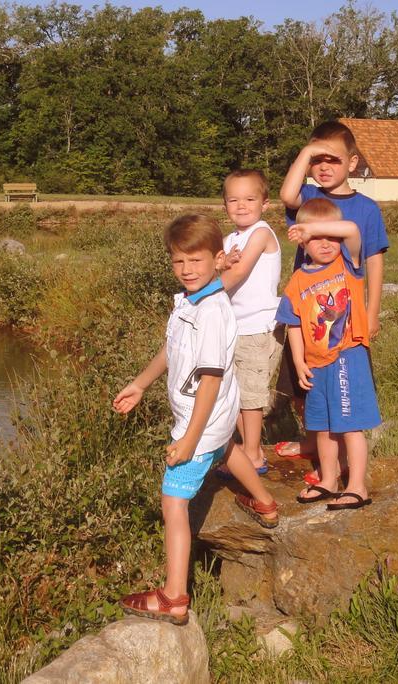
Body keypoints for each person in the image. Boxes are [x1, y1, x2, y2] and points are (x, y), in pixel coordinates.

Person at [113, 214, 279, 625]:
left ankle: (174, 596)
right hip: (217, 423)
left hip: (200, 420)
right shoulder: (191, 301)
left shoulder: (210, 311)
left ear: (217, 259)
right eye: (178, 262)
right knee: (228, 449)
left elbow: (209, 379)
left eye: (196, 261)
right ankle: (266, 503)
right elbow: (172, 350)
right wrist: (140, 383)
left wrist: (188, 439)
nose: (186, 270)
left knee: (173, 503)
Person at [275, 120, 390, 482]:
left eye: (333, 160)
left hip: (346, 319)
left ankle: (340, 459)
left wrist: (372, 311)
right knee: (300, 383)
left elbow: (373, 259)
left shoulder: (366, 209)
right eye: (316, 160)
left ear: (352, 163)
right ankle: (313, 442)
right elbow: (286, 195)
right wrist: (306, 152)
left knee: (342, 386)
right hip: (308, 312)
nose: (324, 167)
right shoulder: (309, 198)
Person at [275, 198, 381, 510]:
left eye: (330, 237)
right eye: (315, 239)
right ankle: (329, 479)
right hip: (315, 363)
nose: (325, 244)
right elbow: (293, 323)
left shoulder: (348, 264)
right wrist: (297, 361)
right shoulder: (297, 281)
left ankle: (357, 486)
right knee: (321, 426)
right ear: (301, 242)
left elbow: (350, 228)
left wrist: (311, 227)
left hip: (347, 356)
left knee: (349, 425)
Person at [214, 169, 282, 478]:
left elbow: (238, 274)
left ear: (265, 203)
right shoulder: (231, 238)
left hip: (258, 327)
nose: (241, 206)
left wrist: (203, 293)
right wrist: (220, 263)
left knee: (252, 396)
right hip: (235, 326)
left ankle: (253, 454)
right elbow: (220, 266)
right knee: (236, 392)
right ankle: (245, 447)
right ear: (225, 204)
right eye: (233, 200)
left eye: (250, 199)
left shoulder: (262, 233)